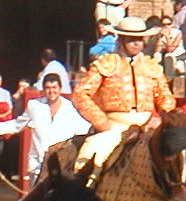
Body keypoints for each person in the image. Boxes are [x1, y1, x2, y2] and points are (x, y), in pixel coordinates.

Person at [73, 16, 175, 170]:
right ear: (121, 40)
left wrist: (160, 118)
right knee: (91, 155)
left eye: (139, 39)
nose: (136, 43)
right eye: (131, 39)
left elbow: (167, 97)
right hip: (115, 126)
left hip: (148, 126)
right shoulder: (106, 64)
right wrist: (102, 123)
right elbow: (80, 93)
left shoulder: (151, 66)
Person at [0, 72, 90, 182]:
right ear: (43, 90)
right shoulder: (34, 105)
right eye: (48, 88)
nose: (51, 91)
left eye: (54, 87)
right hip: (38, 164)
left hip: (62, 165)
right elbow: (17, 125)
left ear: (60, 89)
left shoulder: (71, 108)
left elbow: (85, 129)